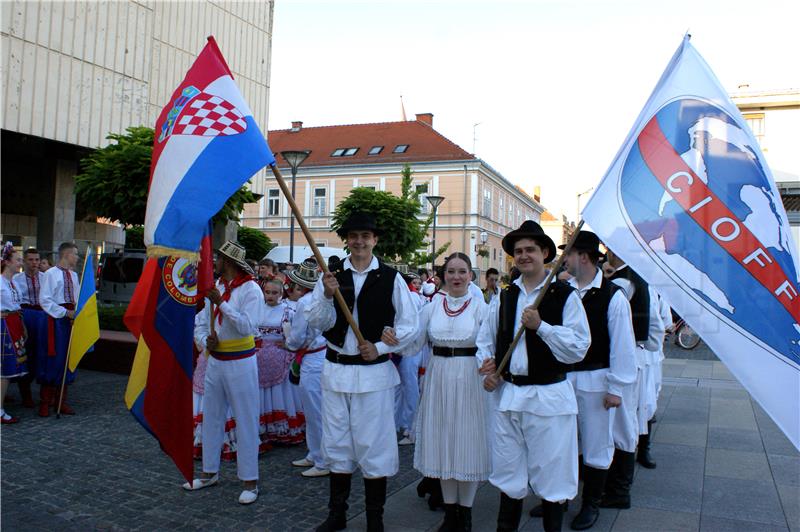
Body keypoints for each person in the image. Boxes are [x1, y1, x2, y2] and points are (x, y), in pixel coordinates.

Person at [306, 212, 418, 532]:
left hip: (374, 375)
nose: (359, 241)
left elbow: (411, 326)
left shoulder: (391, 277)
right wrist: (328, 295)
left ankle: (374, 519)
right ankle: (337, 514)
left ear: (375, 240)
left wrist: (380, 348)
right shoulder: (332, 275)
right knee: (337, 442)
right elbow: (317, 321)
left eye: (365, 236)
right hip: (337, 371)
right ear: (347, 240)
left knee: (375, 445)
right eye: (354, 236)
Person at [476, 220, 590, 532]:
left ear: (545, 254)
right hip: (510, 397)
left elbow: (579, 348)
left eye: (530, 250)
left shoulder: (565, 296)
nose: (524, 255)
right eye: (519, 251)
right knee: (509, 472)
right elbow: (486, 339)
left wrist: (543, 327)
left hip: (549, 399)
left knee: (553, 477)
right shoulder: (505, 296)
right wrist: (487, 366)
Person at [542, 231, 636, 530]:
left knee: (596, 445)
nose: (563, 260)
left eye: (567, 254)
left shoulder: (612, 296)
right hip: (562, 379)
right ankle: (558, 498)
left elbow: (623, 344)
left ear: (583, 256)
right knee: (563, 443)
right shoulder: (560, 290)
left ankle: (591, 503)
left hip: (596, 379)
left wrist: (617, 388)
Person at [402, 252, 490, 531]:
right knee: (443, 442)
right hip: (438, 375)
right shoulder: (431, 308)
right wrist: (390, 340)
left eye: (462, 271)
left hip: (469, 377)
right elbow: (413, 343)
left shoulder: (481, 307)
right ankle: (450, 513)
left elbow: (491, 345)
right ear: (442, 275)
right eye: (451, 271)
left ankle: (466, 514)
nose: (456, 277)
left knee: (467, 442)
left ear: (471, 276)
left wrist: (492, 363)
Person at [187, 240, 262, 505]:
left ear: (228, 262)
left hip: (241, 361)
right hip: (216, 360)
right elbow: (201, 322)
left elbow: (248, 327)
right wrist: (204, 339)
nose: (214, 263)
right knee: (212, 417)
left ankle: (250, 481)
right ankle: (209, 472)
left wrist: (224, 304)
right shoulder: (217, 287)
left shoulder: (251, 290)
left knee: (246, 418)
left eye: (218, 259)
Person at [600, 250, 664, 510]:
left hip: (625, 357)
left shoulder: (628, 281)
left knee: (623, 424)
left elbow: (654, 326)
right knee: (615, 423)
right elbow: (657, 329)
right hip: (620, 358)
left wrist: (642, 349)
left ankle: (618, 490)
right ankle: (611, 485)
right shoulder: (623, 277)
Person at [285, 258, 330, 478]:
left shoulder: (305, 302)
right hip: (320, 355)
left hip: (312, 358)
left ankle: (322, 460)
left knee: (315, 411)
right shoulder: (323, 299)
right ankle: (315, 454)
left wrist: (289, 343)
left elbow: (297, 336)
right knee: (315, 410)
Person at [256, 277, 304, 445]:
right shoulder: (256, 309)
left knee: (280, 394)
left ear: (281, 293)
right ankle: (263, 428)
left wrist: (288, 344)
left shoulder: (288, 311)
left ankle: (281, 429)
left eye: (274, 293)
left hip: (280, 359)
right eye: (267, 292)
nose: (270, 296)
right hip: (258, 359)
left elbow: (297, 334)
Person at [38, 242, 80, 417]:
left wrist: (77, 313)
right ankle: (45, 402)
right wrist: (65, 313)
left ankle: (61, 401)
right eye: (75, 254)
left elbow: (78, 298)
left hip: (71, 321)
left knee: (68, 359)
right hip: (56, 321)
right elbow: (45, 300)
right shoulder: (50, 274)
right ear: (66, 255)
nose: (77, 257)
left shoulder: (75, 275)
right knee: (53, 358)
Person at [12, 248, 45, 408]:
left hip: (42, 316)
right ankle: (25, 393)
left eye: (37, 260)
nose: (34, 263)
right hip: (25, 316)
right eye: (31, 260)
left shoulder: (46, 278)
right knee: (26, 353)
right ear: (24, 261)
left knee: (42, 353)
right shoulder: (16, 279)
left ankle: (45, 394)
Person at [1, 243, 28, 424]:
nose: (20, 263)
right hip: (3, 326)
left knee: (8, 369)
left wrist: (22, 325)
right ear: (7, 262)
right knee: (4, 370)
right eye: (17, 260)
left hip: (14, 324)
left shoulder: (14, 282)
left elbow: (17, 307)